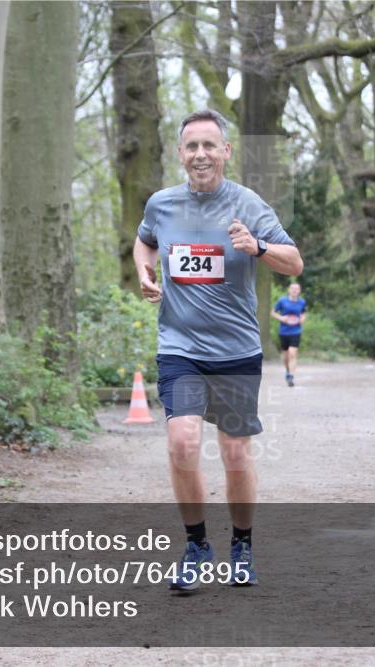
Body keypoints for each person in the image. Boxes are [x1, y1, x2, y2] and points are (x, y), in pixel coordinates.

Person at [133, 109, 303, 590]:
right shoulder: (162, 205)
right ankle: (196, 545)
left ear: (226, 151)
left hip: (235, 350)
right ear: (180, 153)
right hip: (179, 346)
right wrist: (145, 271)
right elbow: (144, 242)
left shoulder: (248, 204)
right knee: (182, 442)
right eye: (192, 146)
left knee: (234, 454)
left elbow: (294, 262)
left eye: (210, 145)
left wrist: (257, 247)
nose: (201, 154)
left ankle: (242, 545)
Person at [272, 283, 307, 387]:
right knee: (286, 356)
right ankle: (287, 370)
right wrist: (281, 318)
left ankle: (291, 376)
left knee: (293, 352)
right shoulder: (282, 301)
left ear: (299, 291)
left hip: (296, 331)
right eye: (292, 288)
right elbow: (273, 312)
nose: (294, 290)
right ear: (289, 290)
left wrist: (302, 319)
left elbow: (303, 313)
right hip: (284, 332)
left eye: (297, 289)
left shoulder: (302, 302)